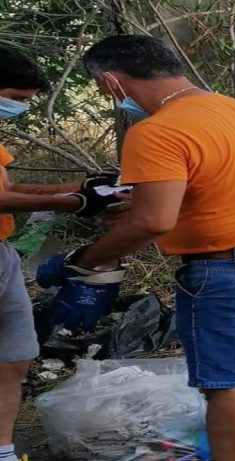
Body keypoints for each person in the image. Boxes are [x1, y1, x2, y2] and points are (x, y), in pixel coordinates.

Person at [52, 35, 235, 461]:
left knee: (229, 383)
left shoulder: (157, 130)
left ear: (113, 82)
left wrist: (87, 260)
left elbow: (153, 221)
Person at [0, 48, 118, 461]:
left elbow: (15, 193)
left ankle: (3, 450)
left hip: (2, 254)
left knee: (15, 356)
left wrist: (82, 187)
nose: (21, 106)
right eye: (17, 96)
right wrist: (78, 203)